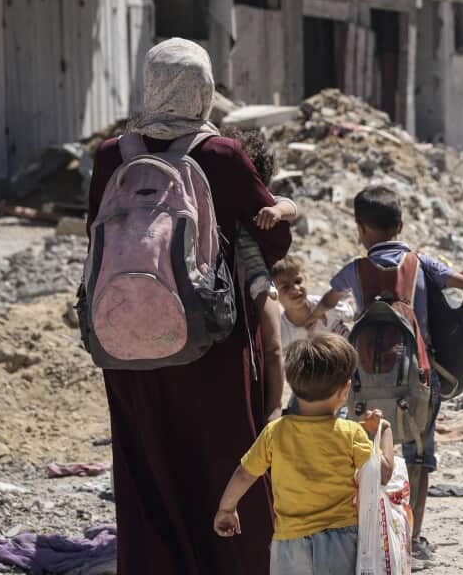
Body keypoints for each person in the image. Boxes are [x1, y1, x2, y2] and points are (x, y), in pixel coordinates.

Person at [86, 38, 291, 574]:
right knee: (223, 455)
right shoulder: (221, 155)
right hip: (210, 342)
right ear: (203, 90)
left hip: (126, 338)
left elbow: (95, 235)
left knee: (145, 462)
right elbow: (269, 237)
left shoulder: (113, 155)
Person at [313, 185, 463, 562]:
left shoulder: (353, 270)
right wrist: (458, 317)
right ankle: (414, 538)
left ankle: (366, 532)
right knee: (419, 454)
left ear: (359, 228)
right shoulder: (423, 263)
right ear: (401, 225)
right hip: (419, 378)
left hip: (364, 383)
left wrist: (314, 317)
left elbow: (327, 302)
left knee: (363, 451)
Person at [214, 335, 394, 575]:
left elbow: (244, 474)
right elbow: (383, 472)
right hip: (339, 539)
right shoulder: (350, 434)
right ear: (345, 391)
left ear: (295, 388)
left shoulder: (275, 432)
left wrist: (227, 508)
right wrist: (385, 431)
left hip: (289, 542)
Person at [223, 125, 299, 419]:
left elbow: (290, 205)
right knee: (272, 345)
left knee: (274, 345)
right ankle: (272, 408)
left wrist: (277, 211)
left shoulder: (258, 199)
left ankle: (274, 409)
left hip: (254, 275)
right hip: (240, 276)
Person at [271, 256, 354, 348]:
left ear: (306, 280)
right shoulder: (281, 330)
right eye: (285, 287)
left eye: (298, 281)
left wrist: (323, 310)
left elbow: (350, 314)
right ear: (274, 294)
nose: (295, 289)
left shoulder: (323, 304)